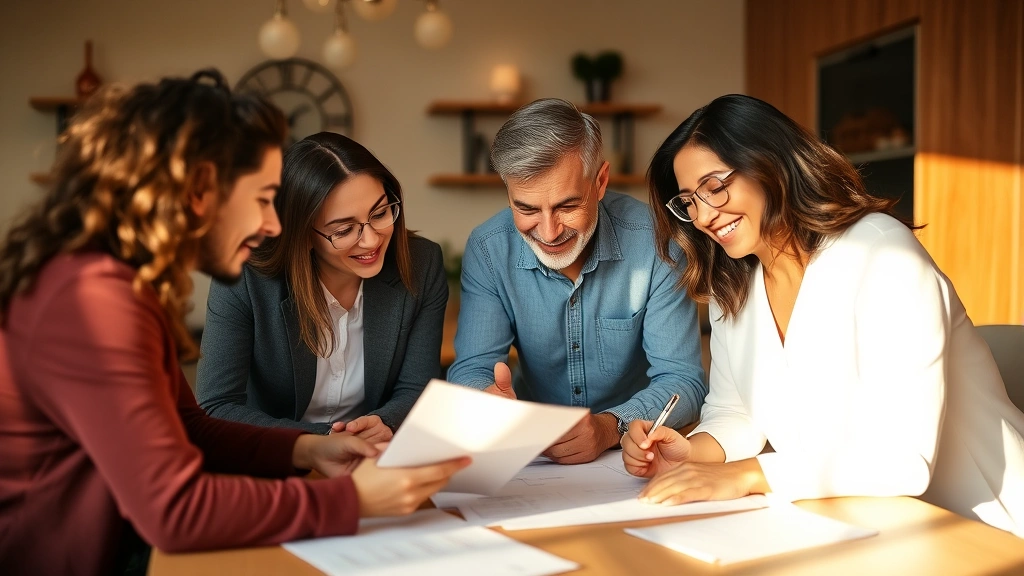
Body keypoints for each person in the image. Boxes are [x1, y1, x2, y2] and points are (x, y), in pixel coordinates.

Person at [0, 70, 468, 576]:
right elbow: (173, 511)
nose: (272, 225)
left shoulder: (119, 284)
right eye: (264, 199)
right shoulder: (92, 301)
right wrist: (353, 500)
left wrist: (308, 446)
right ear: (201, 192)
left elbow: (191, 426)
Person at [623, 93, 1024, 537]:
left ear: (770, 163)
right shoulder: (732, 284)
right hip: (854, 521)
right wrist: (690, 453)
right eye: (688, 201)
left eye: (715, 186)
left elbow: (903, 459)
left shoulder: (882, 254)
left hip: (983, 524)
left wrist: (746, 474)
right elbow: (734, 412)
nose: (703, 215)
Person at [446, 98, 707, 465]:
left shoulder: (657, 243)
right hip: (531, 458)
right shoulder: (489, 249)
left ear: (600, 182)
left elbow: (684, 381)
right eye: (527, 209)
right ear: (508, 192)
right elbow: (471, 370)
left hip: (629, 453)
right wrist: (484, 399)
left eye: (567, 206)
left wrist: (610, 427)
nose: (549, 232)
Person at [196, 132, 446, 442]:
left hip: (374, 459)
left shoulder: (422, 263)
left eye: (380, 213)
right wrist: (324, 440)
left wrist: (386, 422)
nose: (371, 240)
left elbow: (417, 386)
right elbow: (216, 406)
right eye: (343, 230)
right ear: (302, 233)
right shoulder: (243, 273)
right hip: (276, 461)